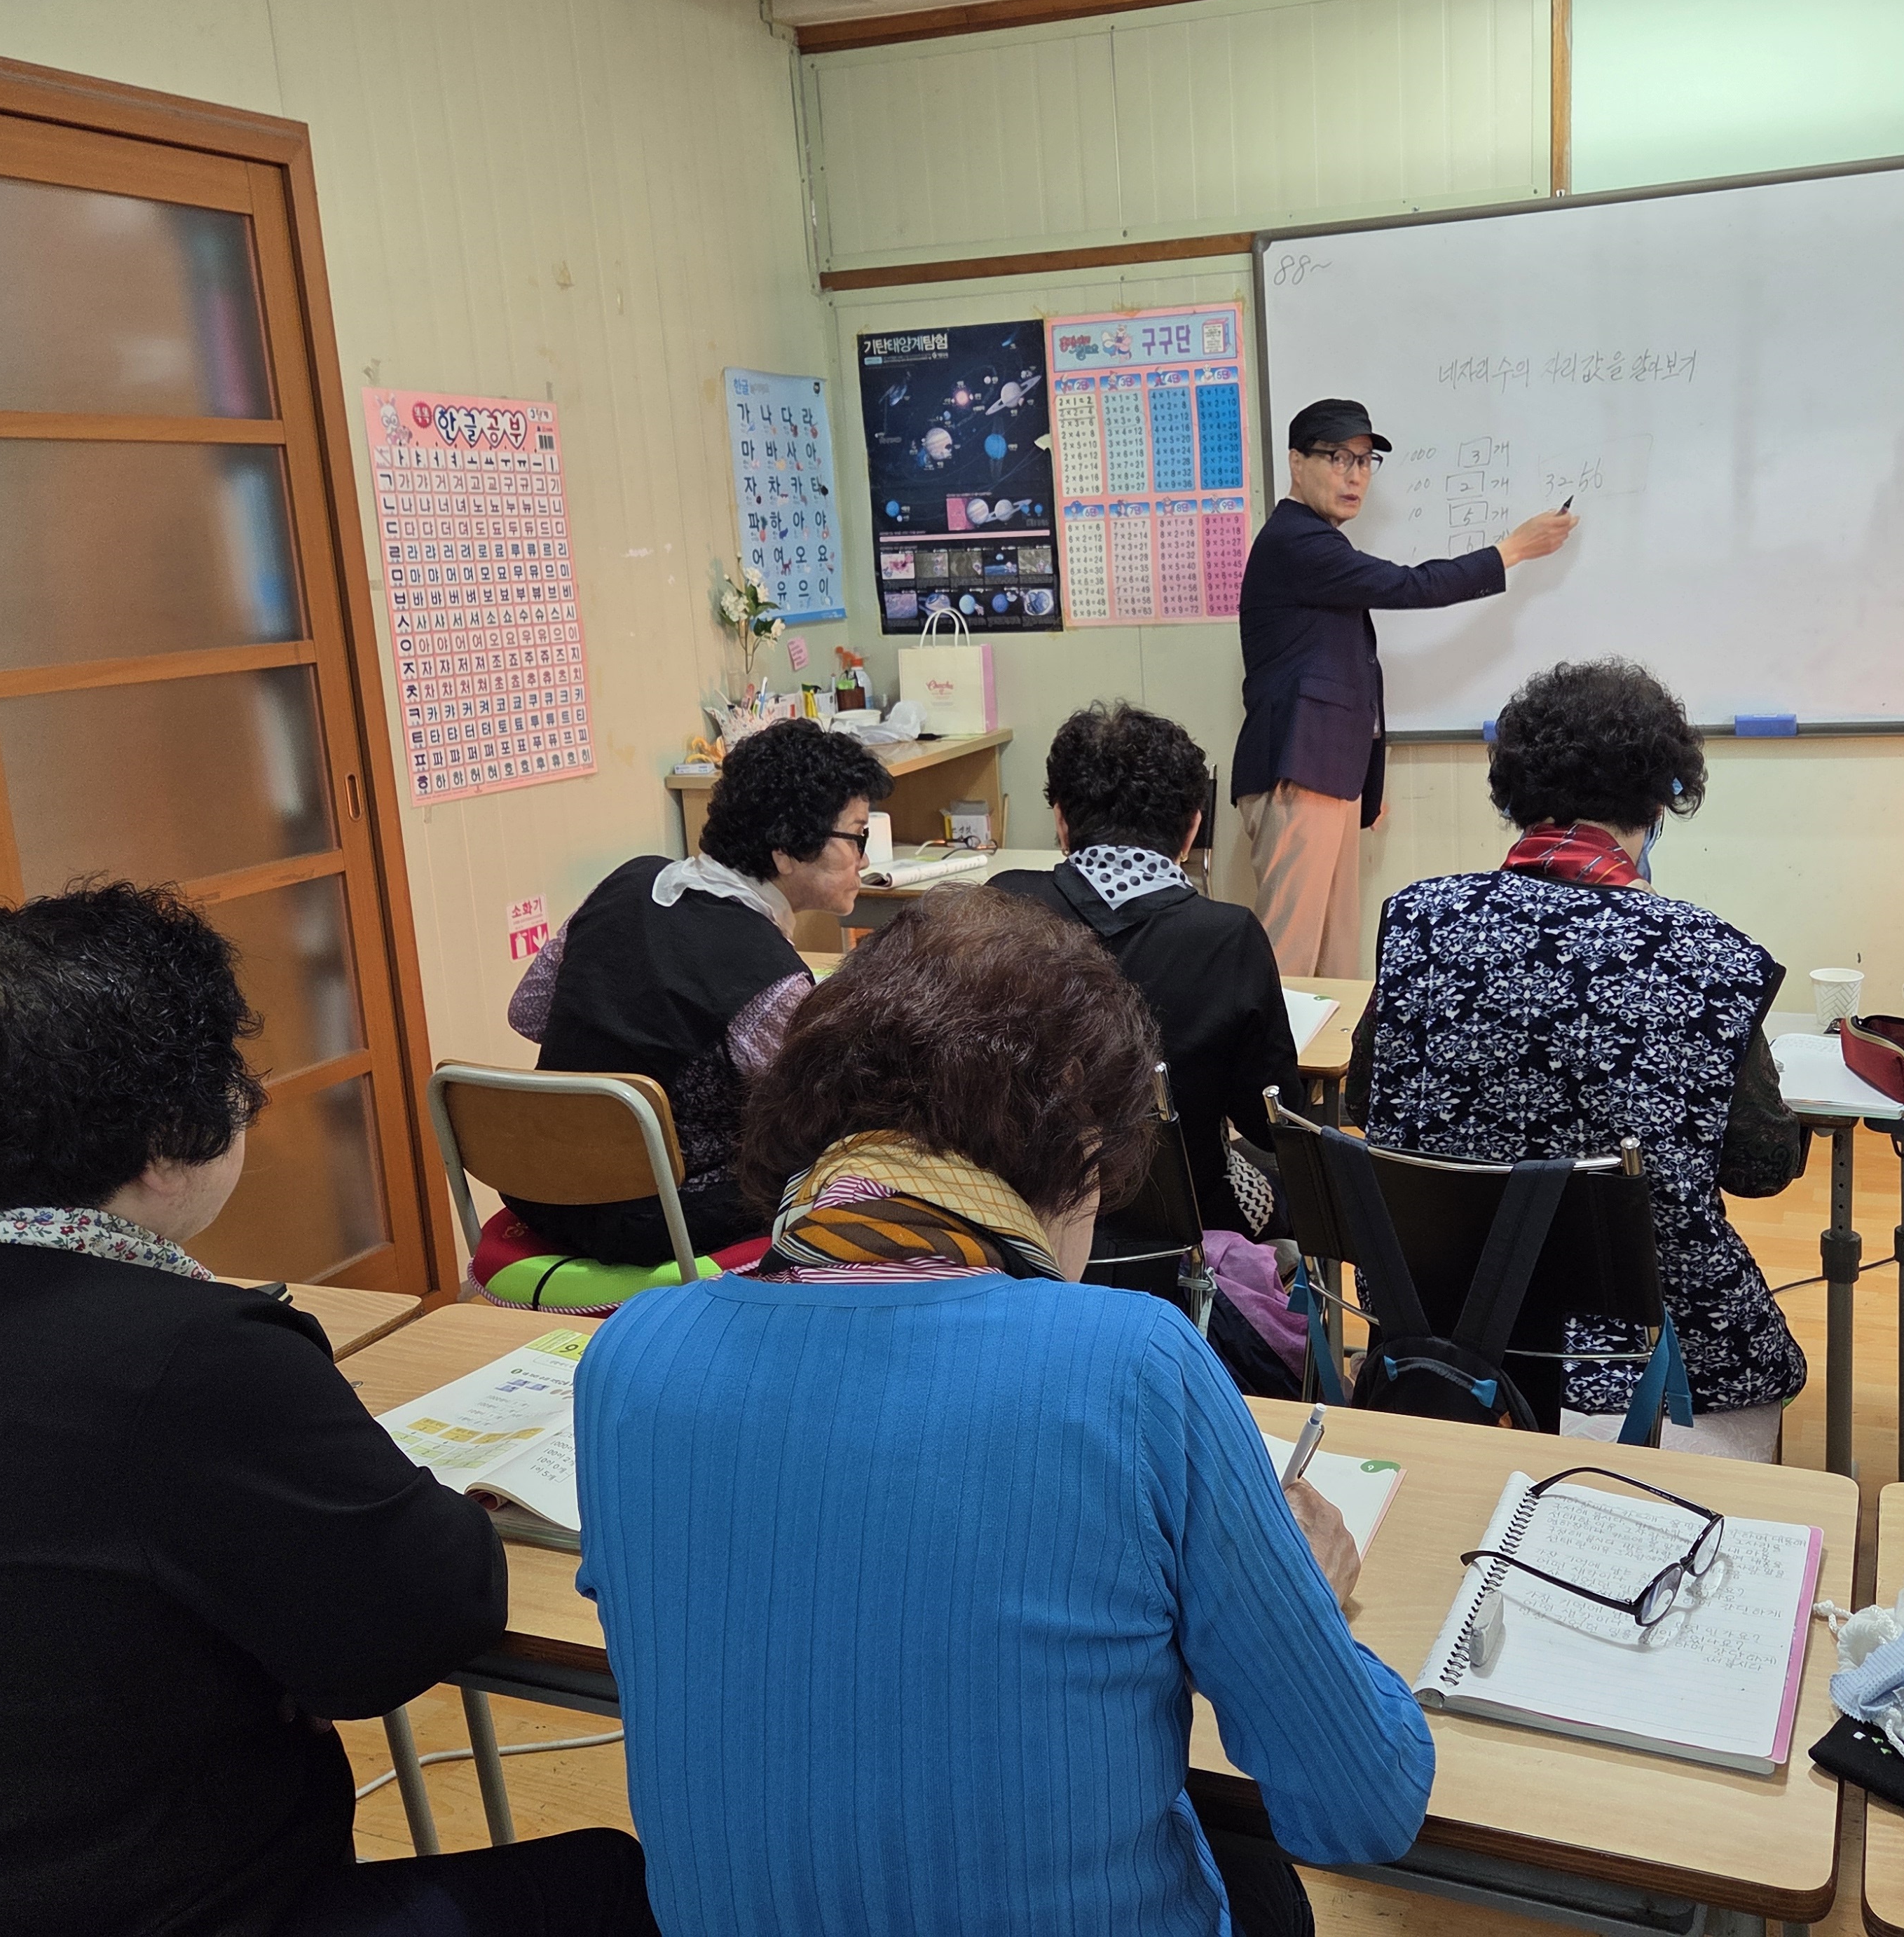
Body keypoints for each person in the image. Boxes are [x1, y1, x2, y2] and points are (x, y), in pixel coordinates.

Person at [574, 889, 1434, 1937]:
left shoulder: (629, 1354)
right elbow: (1362, 1804)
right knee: (1259, 1886)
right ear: (1082, 1154)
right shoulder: (1132, 1365)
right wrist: (1301, 1601)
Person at [0, 883, 657, 1937]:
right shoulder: (187, 1356)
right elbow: (425, 1623)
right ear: (175, 1127)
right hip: (153, 1906)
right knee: (612, 1884)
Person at [1349, 659, 1810, 1460]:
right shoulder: (1709, 957)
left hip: (1440, 1324)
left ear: (1515, 790)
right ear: (1659, 801)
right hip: (1653, 1355)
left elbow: (1365, 1101)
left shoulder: (1418, 920)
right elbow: (1761, 1167)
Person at [505, 718, 892, 1264]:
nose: (865, 860)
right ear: (786, 849)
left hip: (537, 1186)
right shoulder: (769, 979)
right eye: (857, 837)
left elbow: (527, 1014)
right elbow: (823, 1115)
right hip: (659, 1217)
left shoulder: (627, 882)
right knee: (857, 1154)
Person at [1231, 397, 1578, 979]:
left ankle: (1325, 1049)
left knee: (1334, 962)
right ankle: (1262, 1048)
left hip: (1325, 774)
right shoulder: (1296, 540)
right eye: (1338, 458)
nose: (1354, 476)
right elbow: (1412, 586)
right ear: (1296, 463)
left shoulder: (1316, 543)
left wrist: (1361, 780)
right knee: (1289, 961)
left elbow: (1345, 673)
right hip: (1299, 770)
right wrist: (1513, 549)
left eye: (1365, 461)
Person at [992, 700, 1300, 1240]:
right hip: (1185, 1228)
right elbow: (1273, 1124)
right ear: (1192, 827)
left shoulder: (1001, 906)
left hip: (1018, 1226)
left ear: (1061, 820)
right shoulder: (1228, 937)